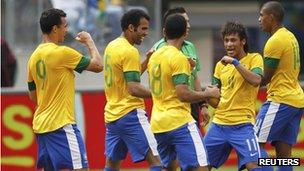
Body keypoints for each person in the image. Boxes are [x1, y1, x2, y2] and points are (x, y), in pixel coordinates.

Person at [27, 8, 103, 171]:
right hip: (61, 124)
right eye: (65, 26)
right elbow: (98, 66)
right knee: (81, 168)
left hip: (41, 126)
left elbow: (33, 96)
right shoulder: (62, 53)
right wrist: (89, 41)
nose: (66, 30)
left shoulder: (33, 57)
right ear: (55, 28)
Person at [148, 14, 220, 171]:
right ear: (185, 33)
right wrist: (208, 94)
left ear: (164, 31)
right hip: (178, 122)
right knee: (201, 166)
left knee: (169, 167)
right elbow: (183, 94)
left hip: (158, 124)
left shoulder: (154, 56)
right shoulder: (178, 57)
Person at [103, 9, 162, 171]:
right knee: (156, 162)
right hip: (130, 114)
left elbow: (127, 79)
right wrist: (161, 95)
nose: (146, 33)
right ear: (131, 27)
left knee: (112, 165)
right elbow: (134, 88)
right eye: (143, 28)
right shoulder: (130, 51)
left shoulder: (112, 46)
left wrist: (146, 60)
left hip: (113, 116)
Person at [203, 21, 263, 171]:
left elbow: (256, 81)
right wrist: (205, 95)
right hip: (219, 125)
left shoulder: (254, 58)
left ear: (243, 41)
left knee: (254, 165)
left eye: (233, 40)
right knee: (201, 165)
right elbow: (215, 101)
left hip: (243, 125)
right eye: (226, 40)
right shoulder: (219, 66)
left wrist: (235, 63)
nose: (229, 44)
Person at [255, 1, 304, 171]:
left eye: (262, 15)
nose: (259, 19)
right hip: (296, 101)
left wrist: (242, 75)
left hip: (280, 100)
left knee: (253, 144)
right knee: (284, 155)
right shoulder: (290, 37)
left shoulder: (274, 41)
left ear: (272, 17)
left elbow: (264, 78)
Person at [152, 7, 209, 128]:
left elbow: (195, 76)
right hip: (172, 106)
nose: (187, 25)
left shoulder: (190, 46)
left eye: (188, 21)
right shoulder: (158, 49)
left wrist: (203, 105)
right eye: (183, 22)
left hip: (191, 102)